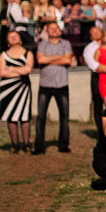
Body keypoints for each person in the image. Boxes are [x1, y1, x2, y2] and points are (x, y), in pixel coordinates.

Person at [33, 22, 74, 154]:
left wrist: (49, 59)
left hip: (62, 84)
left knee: (64, 116)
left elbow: (68, 61)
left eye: (56, 28)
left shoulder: (66, 44)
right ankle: (39, 146)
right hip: (45, 84)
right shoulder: (42, 44)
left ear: (60, 31)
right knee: (41, 116)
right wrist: (60, 58)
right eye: (51, 29)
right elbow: (40, 60)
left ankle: (63, 145)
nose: (54, 31)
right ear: (47, 31)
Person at [0, 29, 34, 152]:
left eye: (15, 36)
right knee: (11, 115)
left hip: (23, 87)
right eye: (10, 37)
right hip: (7, 88)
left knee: (24, 115)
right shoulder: (3, 54)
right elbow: (2, 72)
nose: (13, 38)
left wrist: (11, 69)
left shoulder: (28, 53)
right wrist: (20, 70)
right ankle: (15, 144)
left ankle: (27, 143)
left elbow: (28, 70)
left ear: (20, 39)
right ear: (7, 40)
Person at [82, 26, 105, 131]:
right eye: (93, 32)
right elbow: (93, 65)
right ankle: (101, 130)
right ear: (91, 37)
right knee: (98, 104)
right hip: (98, 76)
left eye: (98, 31)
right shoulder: (89, 48)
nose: (96, 33)